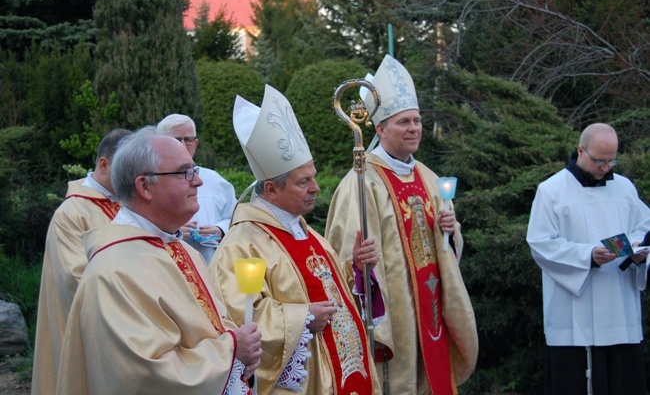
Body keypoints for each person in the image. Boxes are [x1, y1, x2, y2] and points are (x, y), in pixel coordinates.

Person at [55, 127, 262, 395]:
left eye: (194, 170)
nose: (198, 182)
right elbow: (145, 375)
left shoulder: (182, 250)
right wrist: (232, 351)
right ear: (144, 186)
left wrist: (240, 351)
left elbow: (213, 325)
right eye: (184, 173)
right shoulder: (114, 271)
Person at [209, 84, 383, 394]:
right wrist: (302, 318)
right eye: (304, 182)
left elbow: (329, 291)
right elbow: (240, 316)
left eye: (313, 177)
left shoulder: (306, 232)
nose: (316, 187)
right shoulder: (241, 244)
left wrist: (354, 269)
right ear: (272, 190)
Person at [325, 54, 478, 394]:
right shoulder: (362, 181)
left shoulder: (427, 176)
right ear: (380, 129)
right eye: (404, 122)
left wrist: (449, 232)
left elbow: (448, 250)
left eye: (417, 121)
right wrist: (358, 266)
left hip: (431, 302)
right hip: (396, 313)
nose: (414, 129)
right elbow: (344, 253)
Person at [527, 123, 650, 395]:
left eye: (611, 161)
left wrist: (640, 253)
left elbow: (645, 227)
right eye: (599, 161)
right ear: (581, 150)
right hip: (575, 314)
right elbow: (540, 243)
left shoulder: (625, 189)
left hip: (620, 309)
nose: (606, 168)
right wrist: (588, 256)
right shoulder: (552, 190)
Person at [31, 128, 132, 395]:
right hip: (91, 323)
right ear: (103, 164)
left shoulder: (124, 204)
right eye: (125, 168)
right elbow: (75, 278)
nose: (131, 177)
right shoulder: (72, 213)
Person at [157, 113, 236, 263]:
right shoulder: (152, 179)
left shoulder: (214, 180)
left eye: (188, 139)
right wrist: (170, 230)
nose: (183, 144)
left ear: (196, 143)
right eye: (176, 140)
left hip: (209, 266)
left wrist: (220, 229)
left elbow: (235, 217)